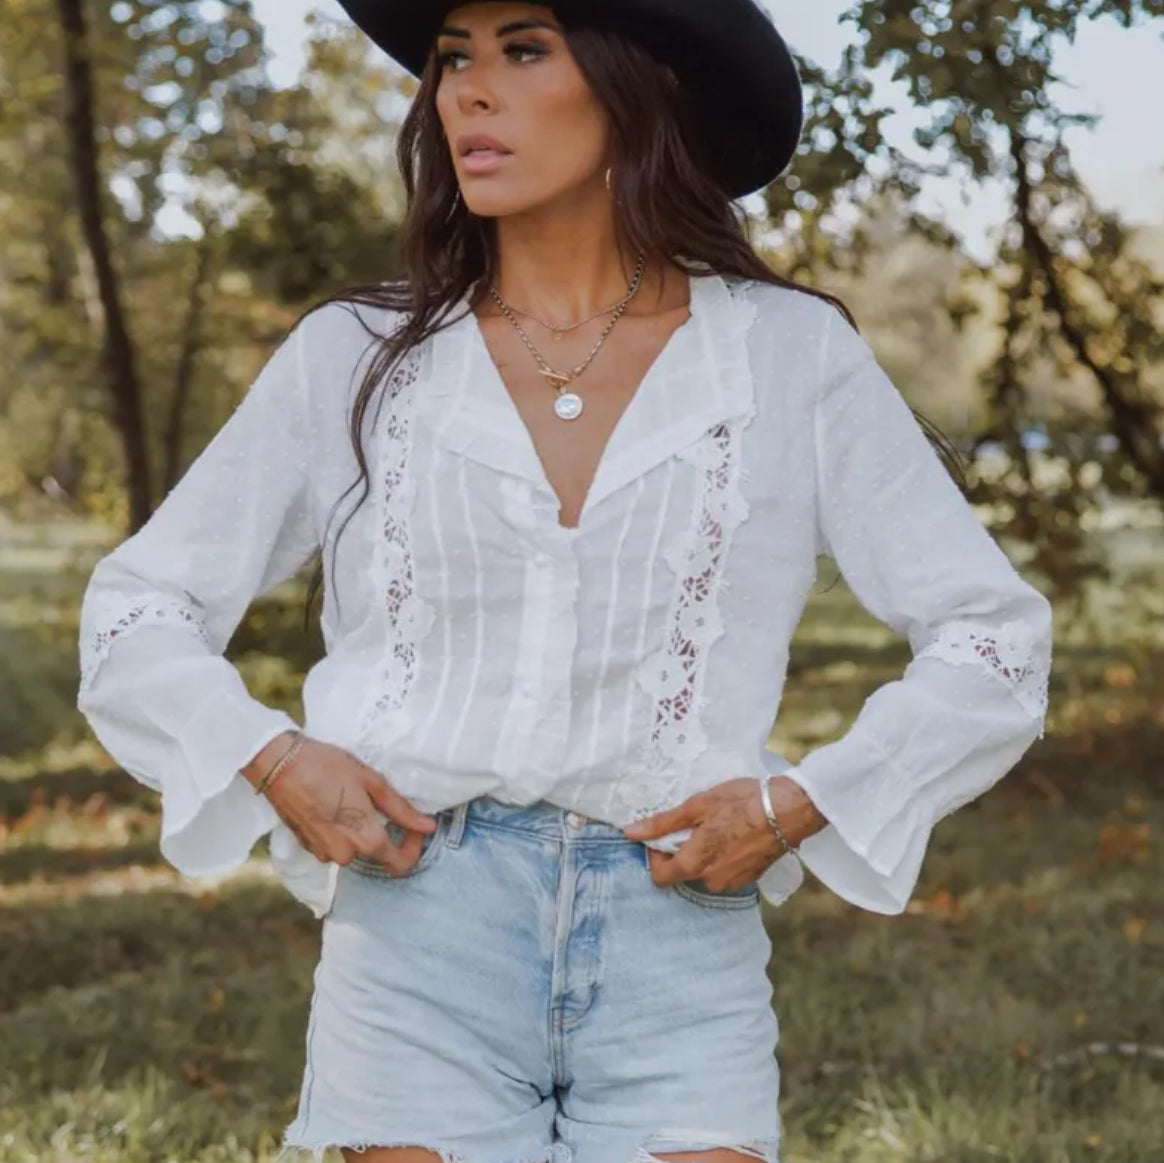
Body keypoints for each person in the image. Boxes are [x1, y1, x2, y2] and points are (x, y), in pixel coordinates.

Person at [75, 2, 1054, 1161]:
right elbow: (137, 609)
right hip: (418, 937)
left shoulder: (788, 356)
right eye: (453, 59)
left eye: (524, 50)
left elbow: (990, 634)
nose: (468, 94)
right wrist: (274, 758)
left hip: (681, 943)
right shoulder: (356, 355)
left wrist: (801, 805)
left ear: (640, 87)